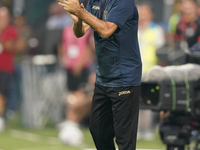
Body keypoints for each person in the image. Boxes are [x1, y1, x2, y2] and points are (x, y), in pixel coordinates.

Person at [58, 0, 142, 149]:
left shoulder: (124, 2)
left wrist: (80, 11)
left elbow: (106, 30)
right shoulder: (95, 1)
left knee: (124, 139)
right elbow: (81, 31)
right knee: (98, 131)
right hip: (103, 77)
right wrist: (77, 21)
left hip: (124, 78)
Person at [58, 24, 95, 146]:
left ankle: (72, 122)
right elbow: (62, 45)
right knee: (72, 96)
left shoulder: (88, 29)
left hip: (83, 69)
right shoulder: (66, 29)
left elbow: (89, 48)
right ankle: (71, 122)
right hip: (69, 68)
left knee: (80, 96)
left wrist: (79, 64)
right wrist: (64, 59)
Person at [137, 2, 165, 140]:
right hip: (134, 71)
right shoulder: (132, 28)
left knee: (148, 101)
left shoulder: (156, 30)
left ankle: (146, 129)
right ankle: (135, 129)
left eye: (144, 12)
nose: (142, 14)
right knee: (134, 101)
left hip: (150, 70)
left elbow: (161, 52)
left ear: (151, 14)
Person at [0, 7, 18, 132]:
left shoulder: (11, 31)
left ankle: (1, 117)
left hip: (5, 67)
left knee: (1, 94)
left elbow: (10, 46)